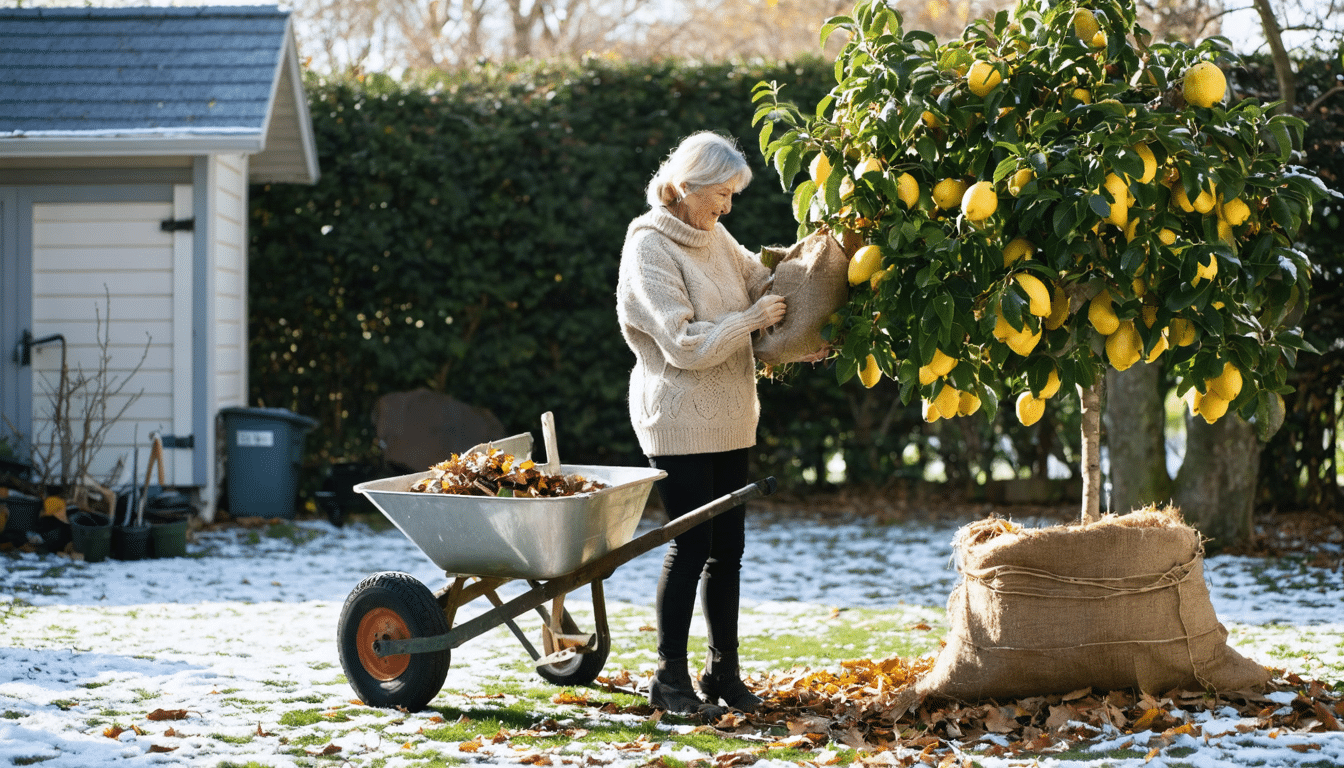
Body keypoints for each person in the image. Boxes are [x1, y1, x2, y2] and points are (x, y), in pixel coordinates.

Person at [615, 131, 803, 716]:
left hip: (730, 416)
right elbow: (684, 344)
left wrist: (805, 317)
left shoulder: (714, 235)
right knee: (692, 544)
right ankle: (669, 679)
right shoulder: (649, 245)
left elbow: (760, 285)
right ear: (683, 186)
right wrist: (750, 320)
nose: (726, 208)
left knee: (730, 548)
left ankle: (724, 672)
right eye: (719, 194)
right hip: (678, 417)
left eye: (731, 196)